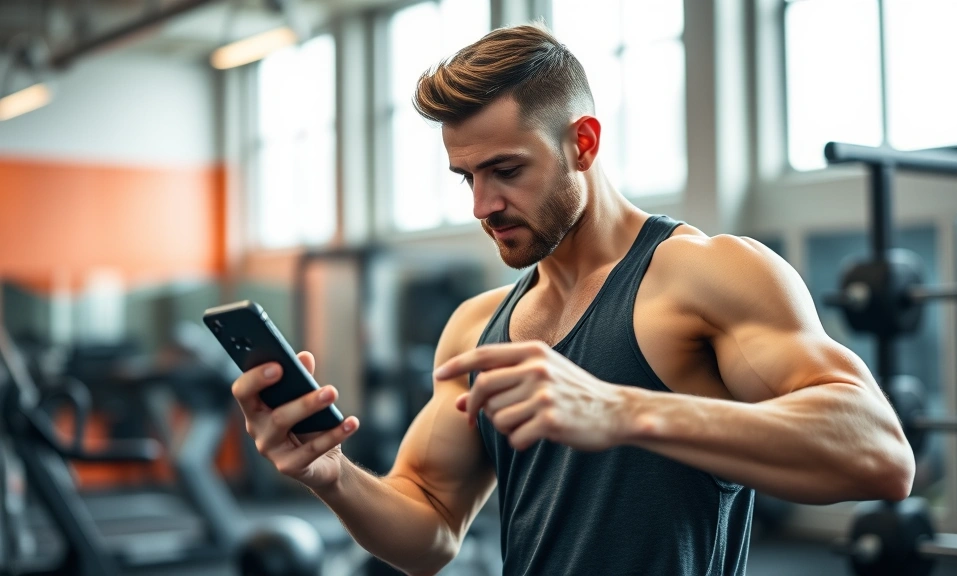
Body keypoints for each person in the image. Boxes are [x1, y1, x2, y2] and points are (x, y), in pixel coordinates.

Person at [230, 23, 915, 576]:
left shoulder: (704, 274)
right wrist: (333, 477)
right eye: (465, 176)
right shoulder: (478, 328)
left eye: (505, 170)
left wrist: (622, 409)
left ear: (581, 143)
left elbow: (881, 453)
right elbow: (431, 527)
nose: (482, 204)